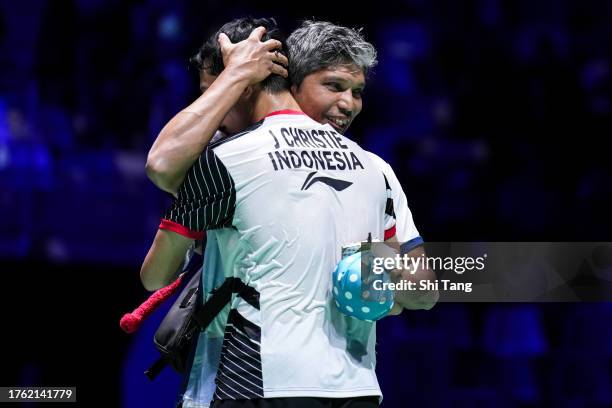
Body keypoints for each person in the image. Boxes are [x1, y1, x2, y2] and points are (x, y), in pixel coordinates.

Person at [140, 16, 436, 408]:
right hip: (354, 390)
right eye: (334, 86)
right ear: (292, 82)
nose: (347, 103)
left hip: (259, 381)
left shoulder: (229, 158)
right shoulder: (373, 167)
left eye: (357, 91)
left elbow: (423, 287)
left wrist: (383, 278)